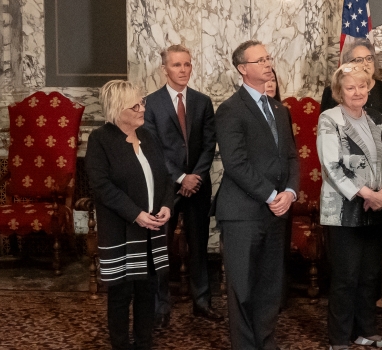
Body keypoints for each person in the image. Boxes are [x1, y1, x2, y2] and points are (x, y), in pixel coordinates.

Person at [214, 40, 299, 350]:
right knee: (243, 287)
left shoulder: (279, 109)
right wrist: (271, 195)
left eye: (268, 58)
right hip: (242, 213)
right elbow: (235, 163)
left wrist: (289, 192)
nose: (267, 63)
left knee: (269, 286)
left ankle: (266, 342)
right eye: (260, 59)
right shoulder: (230, 109)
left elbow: (291, 157)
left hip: (276, 211)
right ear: (242, 68)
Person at [318, 62, 382, 350]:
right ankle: (339, 339)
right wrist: (367, 193)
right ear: (339, 92)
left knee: (369, 274)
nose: (357, 92)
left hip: (376, 208)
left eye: (362, 86)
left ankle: (366, 332)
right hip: (343, 210)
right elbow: (331, 166)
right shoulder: (330, 118)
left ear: (369, 88)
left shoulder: (377, 117)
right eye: (350, 87)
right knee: (345, 277)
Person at [88, 79, 174, 350]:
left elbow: (166, 177)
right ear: (116, 110)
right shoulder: (100, 139)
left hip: (151, 228)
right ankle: (121, 345)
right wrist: (135, 214)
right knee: (121, 293)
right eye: (134, 105)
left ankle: (144, 343)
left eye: (142, 102)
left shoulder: (148, 137)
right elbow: (100, 186)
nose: (141, 108)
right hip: (121, 230)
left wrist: (166, 205)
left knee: (148, 289)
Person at [140, 44, 222, 326]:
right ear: (164, 69)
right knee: (161, 249)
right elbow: (153, 149)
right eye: (177, 65)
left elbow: (210, 144)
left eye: (187, 64)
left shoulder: (202, 101)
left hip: (198, 186)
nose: (183, 70)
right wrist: (179, 178)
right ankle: (161, 308)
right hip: (165, 188)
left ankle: (202, 303)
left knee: (199, 246)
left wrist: (195, 176)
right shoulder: (150, 103)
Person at [323, 39, 382, 145]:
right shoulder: (331, 92)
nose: (365, 64)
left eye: (369, 58)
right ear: (348, 64)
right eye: (359, 60)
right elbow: (328, 136)